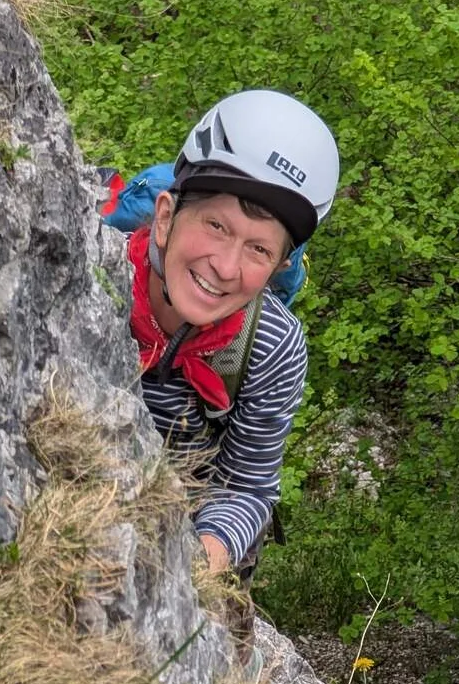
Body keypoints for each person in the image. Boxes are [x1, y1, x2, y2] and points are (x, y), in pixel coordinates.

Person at [124, 89, 340, 672]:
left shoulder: (270, 344)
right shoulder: (88, 273)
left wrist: (194, 567)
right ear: (166, 215)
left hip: (197, 526)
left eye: (257, 249)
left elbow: (248, 488)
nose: (225, 266)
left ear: (277, 268)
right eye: (216, 225)